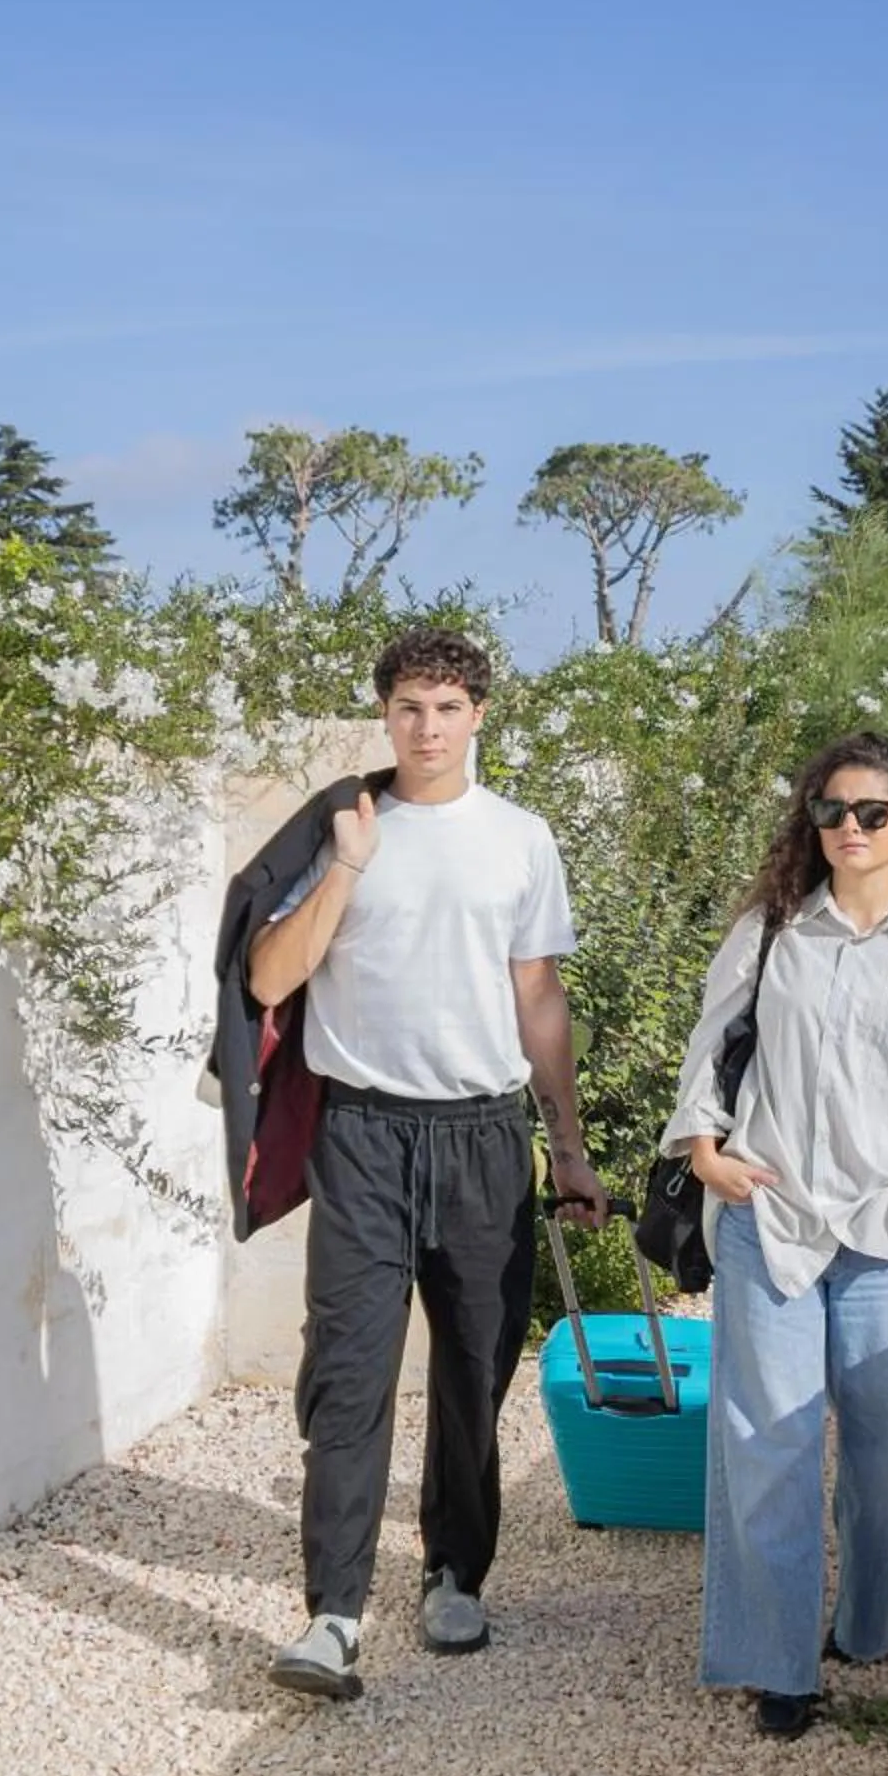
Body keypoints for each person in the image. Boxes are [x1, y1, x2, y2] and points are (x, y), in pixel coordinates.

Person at [249, 626, 609, 1700]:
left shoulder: (520, 839)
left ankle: (454, 1571)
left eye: (448, 707)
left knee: (472, 1371)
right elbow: (270, 979)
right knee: (350, 1372)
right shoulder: (341, 828)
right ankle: (333, 1613)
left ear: (478, 715)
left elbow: (537, 996)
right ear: (385, 714)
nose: (427, 727)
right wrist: (347, 866)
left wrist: (568, 1145)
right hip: (361, 1135)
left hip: (484, 1137)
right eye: (409, 706)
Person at [661, 730, 888, 1739]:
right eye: (830, 811)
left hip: (886, 1239)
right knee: (765, 1447)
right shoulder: (771, 931)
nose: (848, 827)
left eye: (870, 812)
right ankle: (778, 1663)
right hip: (768, 1221)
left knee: (881, 1456)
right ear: (810, 823)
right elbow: (711, 1043)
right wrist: (704, 1151)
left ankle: (865, 1626)